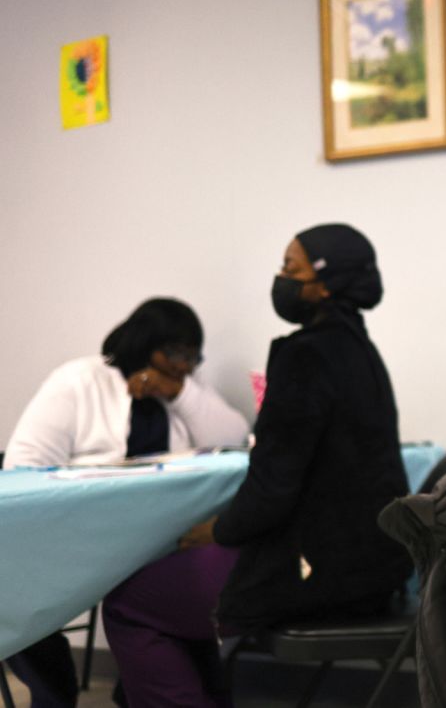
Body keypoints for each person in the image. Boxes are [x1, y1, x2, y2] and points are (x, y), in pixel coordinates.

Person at [102, 224, 413, 707]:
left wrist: (220, 529)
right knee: (179, 596)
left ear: (324, 285)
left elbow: (274, 485)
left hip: (316, 575)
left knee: (129, 603)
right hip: (374, 571)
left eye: (291, 268)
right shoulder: (363, 354)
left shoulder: (304, 355)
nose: (281, 277)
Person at [2, 298, 248, 708]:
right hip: (73, 535)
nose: (185, 365)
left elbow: (234, 435)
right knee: (18, 589)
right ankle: (53, 695)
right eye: (175, 353)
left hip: (153, 542)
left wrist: (180, 393)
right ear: (144, 341)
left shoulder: (180, 388)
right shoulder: (79, 380)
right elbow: (23, 466)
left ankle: (147, 687)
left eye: (192, 356)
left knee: (179, 585)